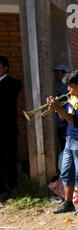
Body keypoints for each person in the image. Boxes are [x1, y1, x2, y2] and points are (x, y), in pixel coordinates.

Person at [48, 70, 78, 215]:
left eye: (71, 86)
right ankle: (68, 203)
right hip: (69, 139)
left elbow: (76, 121)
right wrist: (56, 108)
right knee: (66, 171)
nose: (68, 90)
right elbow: (65, 117)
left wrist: (59, 109)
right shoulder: (72, 97)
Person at [0, 56, 22, 202]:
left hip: (7, 129)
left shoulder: (13, 83)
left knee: (9, 158)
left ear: (6, 68)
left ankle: (11, 187)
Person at [54, 65, 72, 151]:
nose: (56, 75)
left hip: (66, 120)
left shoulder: (65, 87)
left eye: (58, 72)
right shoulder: (59, 85)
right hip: (60, 121)